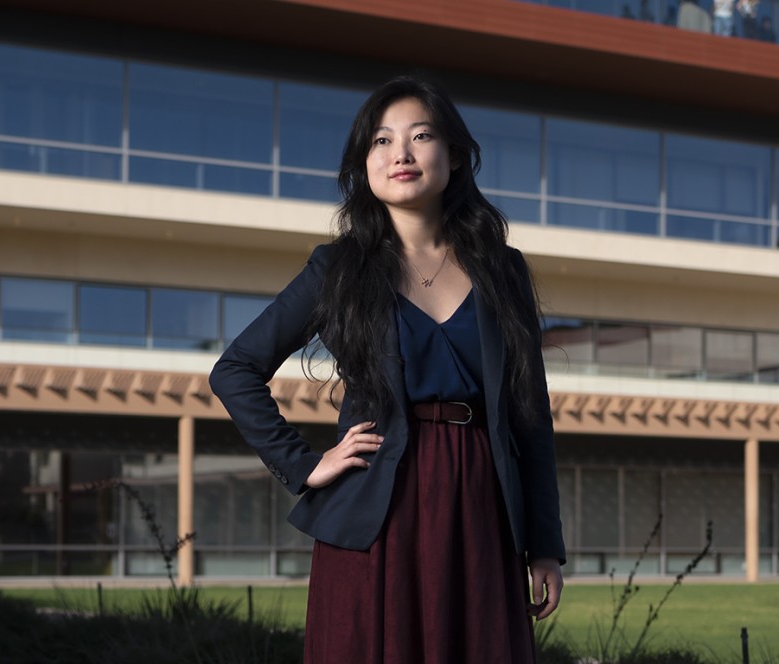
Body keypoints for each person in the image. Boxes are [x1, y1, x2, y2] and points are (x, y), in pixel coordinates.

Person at [209, 76, 565, 664]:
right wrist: (303, 463)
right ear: (364, 164)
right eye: (381, 141)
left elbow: (531, 416)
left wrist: (545, 546)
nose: (400, 153)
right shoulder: (338, 269)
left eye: (420, 136)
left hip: (479, 505)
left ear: (452, 154)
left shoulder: (504, 270)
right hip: (377, 508)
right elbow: (236, 369)